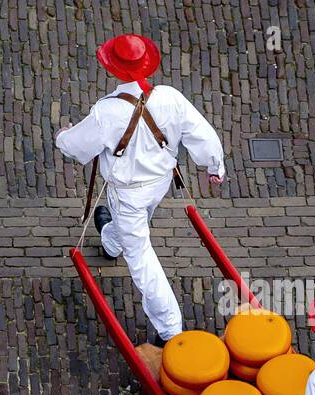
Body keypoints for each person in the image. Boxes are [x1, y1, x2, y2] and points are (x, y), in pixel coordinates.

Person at [56, 34, 226, 342]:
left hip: (127, 193)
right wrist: (215, 168)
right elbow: (204, 136)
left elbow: (75, 146)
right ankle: (110, 242)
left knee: (141, 258)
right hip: (160, 184)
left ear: (114, 70)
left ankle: (170, 327)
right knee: (133, 226)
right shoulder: (171, 97)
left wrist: (62, 136)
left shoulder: (106, 112)